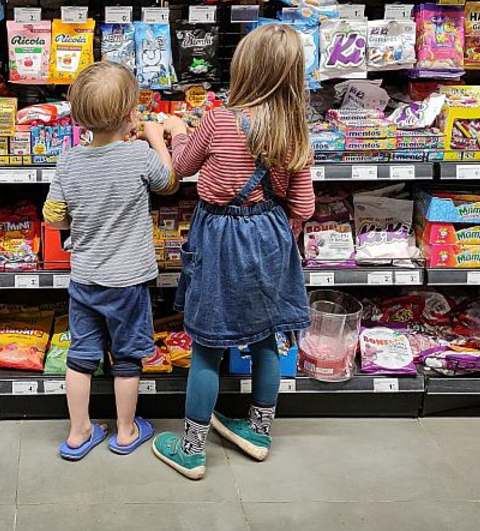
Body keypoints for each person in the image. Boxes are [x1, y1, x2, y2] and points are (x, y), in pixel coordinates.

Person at [149, 24, 316, 480]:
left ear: (243, 70)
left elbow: (182, 166)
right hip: (271, 236)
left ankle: (191, 449)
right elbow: (304, 206)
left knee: (208, 345)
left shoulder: (219, 119)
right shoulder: (295, 129)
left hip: (220, 237)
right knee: (267, 336)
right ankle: (258, 433)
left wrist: (174, 131)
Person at [44, 61, 178, 461]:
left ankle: (78, 433)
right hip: (129, 282)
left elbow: (53, 217)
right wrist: (155, 139)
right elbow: (168, 182)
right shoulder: (138, 155)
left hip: (85, 279)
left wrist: (83, 217)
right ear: (131, 114)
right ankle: (125, 430)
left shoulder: (69, 161)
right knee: (127, 358)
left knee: (81, 356)